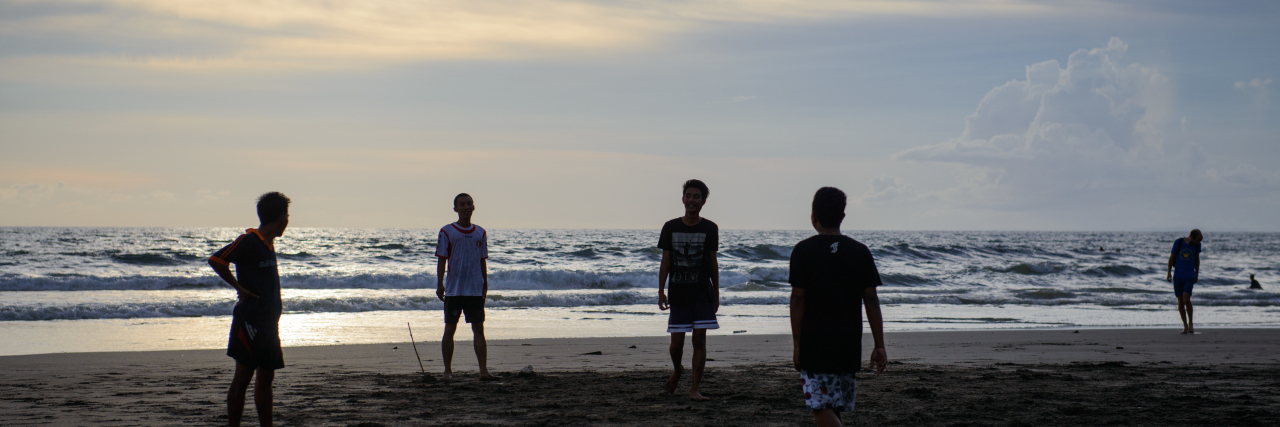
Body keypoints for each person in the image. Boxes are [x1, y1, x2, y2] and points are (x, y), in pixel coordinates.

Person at [789, 187, 887, 427]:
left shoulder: (803, 250)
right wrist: (879, 345)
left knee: (820, 408)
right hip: (848, 342)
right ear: (843, 216)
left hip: (815, 342)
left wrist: (797, 344)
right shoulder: (860, 251)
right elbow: (871, 300)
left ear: (813, 216)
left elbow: (798, 299)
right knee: (833, 405)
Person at [208, 191, 291, 427]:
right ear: (281, 218)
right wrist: (239, 287)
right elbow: (217, 260)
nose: (288, 221)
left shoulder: (268, 244)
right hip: (250, 322)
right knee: (243, 378)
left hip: (269, 324)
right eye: (287, 216)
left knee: (266, 378)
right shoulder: (249, 241)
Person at [657, 179, 720, 401]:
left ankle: (694, 389)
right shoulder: (670, 227)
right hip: (679, 293)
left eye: (696, 196)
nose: (692, 200)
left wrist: (716, 293)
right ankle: (678, 369)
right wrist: (661, 290)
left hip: (702, 293)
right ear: (683, 199)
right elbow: (665, 261)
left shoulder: (710, 228)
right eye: (689, 196)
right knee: (676, 345)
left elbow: (713, 262)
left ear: (703, 201)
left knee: (699, 340)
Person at [435, 193, 498, 381]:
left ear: (473, 207)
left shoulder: (480, 232)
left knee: (479, 329)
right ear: (455, 208)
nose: (466, 207)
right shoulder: (447, 231)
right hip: (454, 290)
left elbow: (482, 260)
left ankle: (483, 371)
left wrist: (485, 283)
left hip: (475, 290)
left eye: (469, 204)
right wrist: (439, 284)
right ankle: (447, 371)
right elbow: (442, 259)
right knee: (450, 329)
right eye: (462, 204)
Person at [1166, 229, 1203, 334]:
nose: (1199, 243)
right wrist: (1169, 272)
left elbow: (1197, 260)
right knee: (1180, 301)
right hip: (1178, 276)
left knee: (1186, 299)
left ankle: (1191, 324)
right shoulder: (1178, 243)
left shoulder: (1197, 246)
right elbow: (1171, 258)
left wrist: (1197, 273)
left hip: (1189, 276)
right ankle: (1185, 326)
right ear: (1191, 237)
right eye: (1198, 240)